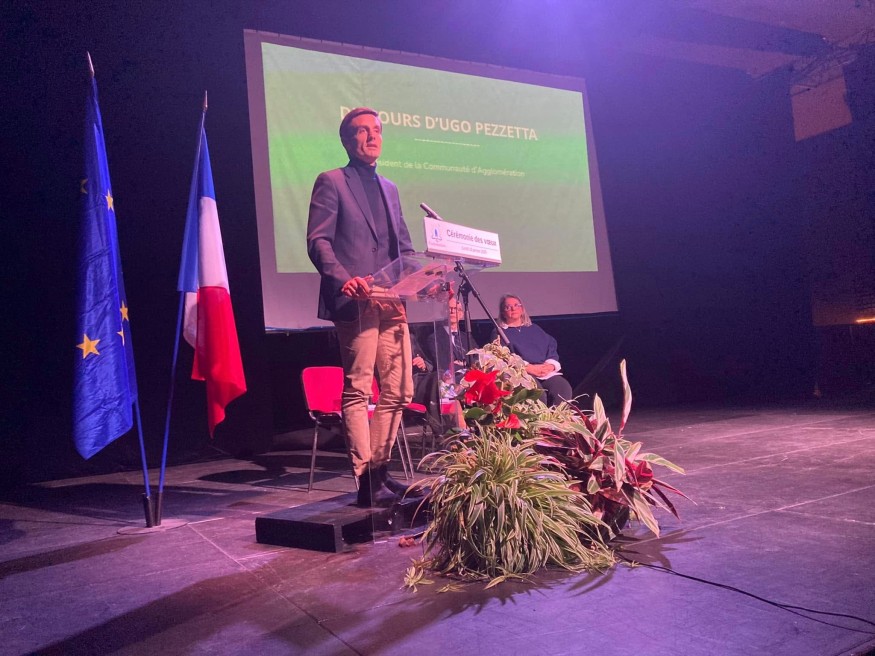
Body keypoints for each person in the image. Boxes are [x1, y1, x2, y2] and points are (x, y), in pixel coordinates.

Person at [306, 107, 416, 507]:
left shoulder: (390, 188)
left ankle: (380, 470)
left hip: (391, 299)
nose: (372, 136)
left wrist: (425, 279)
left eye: (377, 130)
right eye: (362, 131)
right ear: (346, 140)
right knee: (358, 387)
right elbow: (318, 241)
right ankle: (366, 480)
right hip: (356, 298)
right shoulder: (332, 181)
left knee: (400, 389)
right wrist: (343, 278)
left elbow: (405, 248)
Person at [494, 293, 574, 405]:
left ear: (522, 309)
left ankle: (558, 416)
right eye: (508, 307)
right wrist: (529, 368)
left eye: (516, 305)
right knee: (537, 394)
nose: (513, 308)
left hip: (544, 371)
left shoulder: (534, 329)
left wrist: (550, 365)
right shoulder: (500, 333)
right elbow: (503, 356)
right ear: (503, 312)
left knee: (562, 389)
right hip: (521, 373)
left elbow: (551, 345)